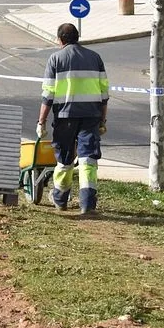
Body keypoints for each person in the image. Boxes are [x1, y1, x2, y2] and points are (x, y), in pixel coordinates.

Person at [36, 23, 109, 215]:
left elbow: (48, 95)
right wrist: (103, 121)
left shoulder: (55, 58)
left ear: (60, 39)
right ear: (77, 37)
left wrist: (41, 121)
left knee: (65, 160)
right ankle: (87, 204)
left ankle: (60, 199)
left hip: (65, 116)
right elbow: (104, 94)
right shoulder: (95, 57)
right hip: (91, 116)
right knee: (88, 160)